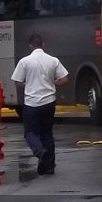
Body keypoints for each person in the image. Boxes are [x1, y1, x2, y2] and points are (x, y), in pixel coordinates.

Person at [11, 33, 69, 176]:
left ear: (30, 46)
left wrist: (28, 83)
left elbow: (18, 83)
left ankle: (39, 151)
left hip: (31, 103)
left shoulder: (24, 61)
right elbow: (65, 79)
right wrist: (52, 83)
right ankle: (49, 166)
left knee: (30, 132)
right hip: (49, 103)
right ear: (43, 44)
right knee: (47, 133)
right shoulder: (53, 60)